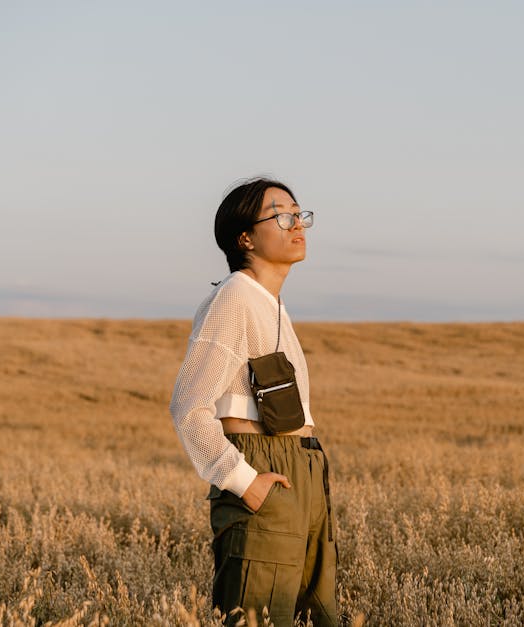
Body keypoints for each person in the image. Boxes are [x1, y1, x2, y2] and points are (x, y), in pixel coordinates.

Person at [169, 177, 337, 626]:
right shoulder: (234, 297)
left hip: (301, 472)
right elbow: (189, 405)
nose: (296, 223)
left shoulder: (272, 304)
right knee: (259, 619)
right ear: (245, 237)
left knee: (315, 617)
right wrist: (243, 480)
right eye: (280, 215)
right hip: (264, 471)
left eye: (300, 214)